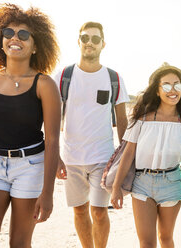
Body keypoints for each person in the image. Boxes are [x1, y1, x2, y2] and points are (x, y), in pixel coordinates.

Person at [0, 3, 61, 247]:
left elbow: (51, 140)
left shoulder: (44, 85)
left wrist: (47, 193)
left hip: (29, 168)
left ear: (35, 45)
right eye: (8, 33)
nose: (15, 38)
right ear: (1, 41)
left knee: (19, 243)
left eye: (24, 34)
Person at [54, 22, 129, 248]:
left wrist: (124, 158)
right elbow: (53, 121)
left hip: (103, 158)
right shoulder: (62, 76)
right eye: (85, 38)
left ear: (102, 44)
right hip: (72, 158)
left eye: (95, 39)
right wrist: (56, 157)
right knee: (79, 211)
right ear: (78, 42)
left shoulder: (113, 77)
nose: (89, 43)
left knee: (98, 211)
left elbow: (123, 121)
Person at [110, 62, 181, 248]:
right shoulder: (141, 119)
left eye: (177, 84)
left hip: (172, 182)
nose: (173, 90)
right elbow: (128, 154)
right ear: (157, 91)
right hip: (142, 182)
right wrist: (116, 187)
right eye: (166, 85)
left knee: (166, 239)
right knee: (147, 243)